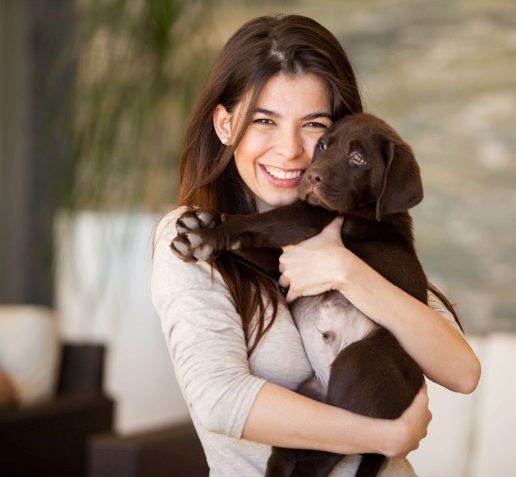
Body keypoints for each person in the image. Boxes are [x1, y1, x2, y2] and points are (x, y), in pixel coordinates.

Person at [151, 14, 480, 477]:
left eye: (313, 126)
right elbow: (219, 401)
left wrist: (345, 270)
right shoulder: (191, 237)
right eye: (264, 120)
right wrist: (383, 437)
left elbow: (462, 371)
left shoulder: (362, 232)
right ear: (225, 125)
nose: (290, 150)